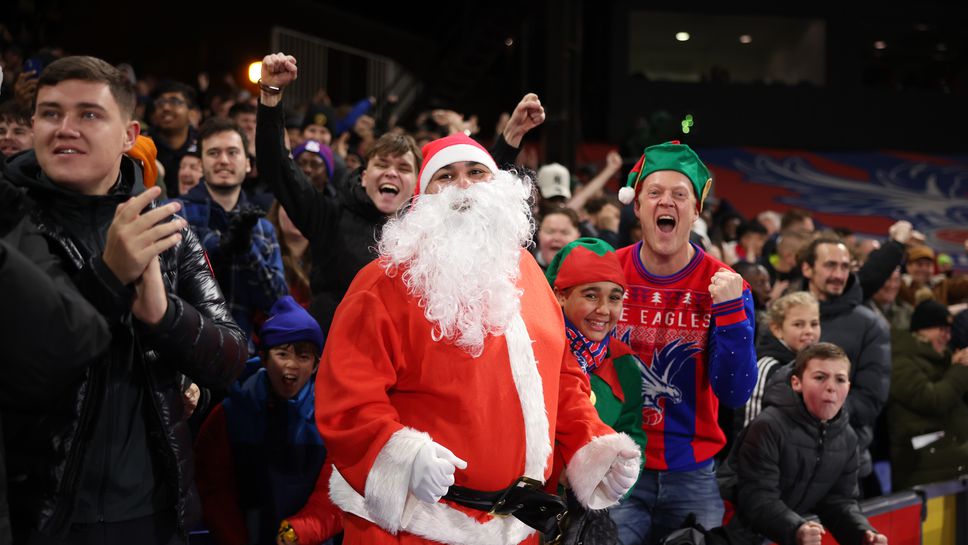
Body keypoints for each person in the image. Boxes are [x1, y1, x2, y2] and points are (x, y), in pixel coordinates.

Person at [314, 133, 642, 545]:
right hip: (413, 530)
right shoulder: (383, 283)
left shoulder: (527, 271)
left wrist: (590, 442)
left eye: (476, 172)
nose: (463, 185)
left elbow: (560, 377)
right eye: (445, 176)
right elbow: (346, 399)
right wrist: (400, 455)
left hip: (516, 529)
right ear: (423, 197)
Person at [3, 55, 247, 544]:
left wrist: (165, 316)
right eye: (50, 113)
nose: (66, 128)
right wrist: (108, 277)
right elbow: (27, 367)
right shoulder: (10, 224)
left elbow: (232, 358)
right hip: (39, 511)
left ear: (128, 134)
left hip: (151, 512)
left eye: (89, 114)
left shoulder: (169, 231)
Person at [256, 52, 543, 333]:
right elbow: (278, 170)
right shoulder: (329, 216)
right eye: (381, 164)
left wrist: (511, 137)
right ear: (364, 175)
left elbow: (478, 190)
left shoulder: (433, 228)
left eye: (403, 167)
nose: (391, 172)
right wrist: (271, 97)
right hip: (333, 359)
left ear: (420, 182)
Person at [611, 140, 757, 544]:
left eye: (680, 195)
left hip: (692, 472)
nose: (667, 202)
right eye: (654, 193)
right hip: (616, 467)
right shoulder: (606, 274)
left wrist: (730, 315)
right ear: (637, 206)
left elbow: (735, 392)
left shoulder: (728, 285)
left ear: (696, 211)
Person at [194, 296, 341, 545]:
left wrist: (298, 533)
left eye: (304, 357)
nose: (291, 365)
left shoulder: (332, 419)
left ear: (317, 364)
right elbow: (213, 489)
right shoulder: (230, 415)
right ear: (263, 357)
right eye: (282, 354)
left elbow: (336, 492)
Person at [722, 343, 888, 545]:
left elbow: (838, 502)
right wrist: (796, 529)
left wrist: (862, 534)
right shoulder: (768, 426)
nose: (831, 387)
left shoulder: (848, 438)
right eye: (820, 377)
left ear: (848, 388)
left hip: (773, 532)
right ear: (796, 383)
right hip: (729, 533)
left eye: (840, 380)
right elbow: (757, 498)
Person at [178, 117, 288, 343]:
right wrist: (222, 247)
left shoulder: (263, 227)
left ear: (248, 164)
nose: (224, 160)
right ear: (201, 163)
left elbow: (276, 303)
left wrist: (248, 249)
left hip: (244, 357)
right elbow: (174, 288)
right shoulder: (176, 214)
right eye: (214, 153)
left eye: (233, 152)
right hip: (185, 355)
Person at [545, 237, 649, 456]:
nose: (604, 309)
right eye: (591, 296)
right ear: (560, 295)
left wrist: (614, 483)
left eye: (614, 298)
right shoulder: (535, 351)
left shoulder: (623, 362)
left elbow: (632, 435)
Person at [797, 236, 890, 480]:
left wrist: (815, 411)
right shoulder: (783, 314)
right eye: (830, 265)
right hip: (786, 459)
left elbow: (870, 400)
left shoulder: (871, 325)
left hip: (844, 464)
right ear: (807, 268)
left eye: (845, 266)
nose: (839, 274)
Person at [888, 299, 968, 490]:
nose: (946, 336)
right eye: (941, 329)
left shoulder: (942, 359)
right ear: (921, 329)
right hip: (922, 465)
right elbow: (932, 400)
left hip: (947, 460)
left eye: (949, 331)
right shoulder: (900, 360)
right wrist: (961, 369)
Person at [740, 291, 820, 431]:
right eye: (798, 324)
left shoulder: (816, 364)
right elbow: (751, 422)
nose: (809, 331)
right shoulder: (766, 366)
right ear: (777, 329)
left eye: (814, 324)